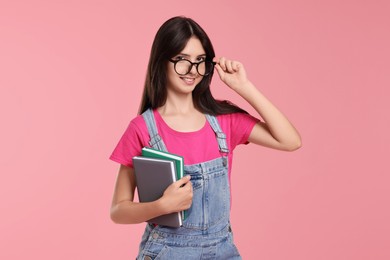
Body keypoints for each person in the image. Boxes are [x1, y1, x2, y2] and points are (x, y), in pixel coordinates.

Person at [109, 16, 301, 259]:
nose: (192, 71)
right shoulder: (142, 128)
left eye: (200, 61)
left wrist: (244, 87)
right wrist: (160, 207)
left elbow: (290, 141)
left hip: (222, 249)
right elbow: (118, 210)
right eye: (182, 60)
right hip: (167, 251)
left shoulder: (224, 120)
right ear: (161, 62)